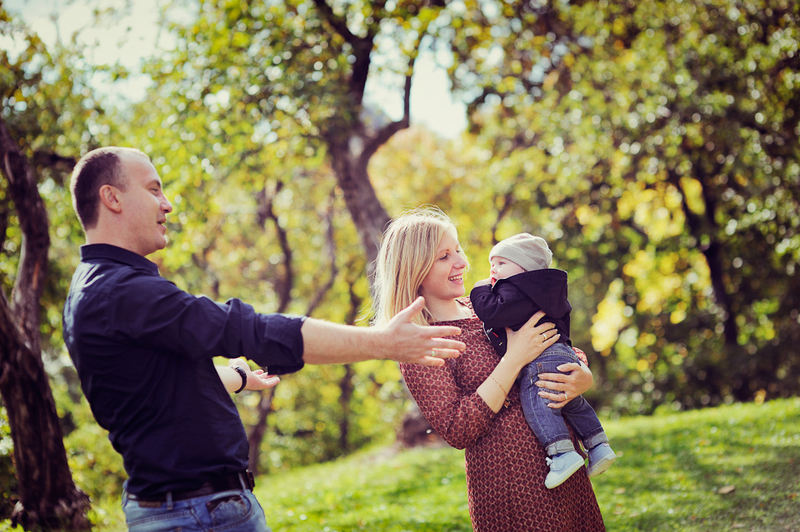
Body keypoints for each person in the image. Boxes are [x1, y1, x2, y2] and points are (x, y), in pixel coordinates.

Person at [62, 147, 466, 532]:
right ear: (112, 197)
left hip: (183, 508)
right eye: (153, 189)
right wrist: (382, 342)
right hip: (199, 513)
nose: (166, 204)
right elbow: (251, 331)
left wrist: (239, 377)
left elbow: (155, 384)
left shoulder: (95, 289)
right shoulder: (122, 292)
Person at [371, 207, 606, 531]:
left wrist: (581, 373)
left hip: (566, 464)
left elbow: (551, 342)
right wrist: (513, 360)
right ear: (415, 269)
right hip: (513, 487)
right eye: (444, 257)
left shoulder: (487, 305)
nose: (462, 262)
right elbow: (457, 428)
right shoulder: (419, 343)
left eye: (458, 250)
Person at [470, 233, 616, 489]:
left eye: (501, 263)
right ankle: (599, 446)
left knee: (538, 401)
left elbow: (492, 312)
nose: (493, 269)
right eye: (492, 263)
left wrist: (480, 290)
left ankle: (562, 454)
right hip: (561, 351)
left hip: (539, 357)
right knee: (571, 401)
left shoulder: (516, 287)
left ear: (525, 268)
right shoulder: (549, 291)